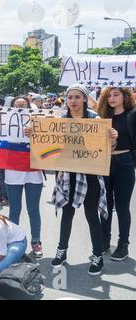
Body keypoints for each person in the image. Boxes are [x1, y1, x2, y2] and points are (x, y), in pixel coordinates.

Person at [51, 83, 118, 275]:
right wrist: (34, 135)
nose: (73, 101)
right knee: (67, 214)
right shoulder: (61, 120)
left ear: (84, 99)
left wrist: (112, 138)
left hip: (90, 175)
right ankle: (62, 251)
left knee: (91, 216)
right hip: (68, 175)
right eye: (69, 97)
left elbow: (107, 148)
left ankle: (97, 256)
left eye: (77, 97)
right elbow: (49, 144)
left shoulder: (95, 119)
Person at [97, 87, 136, 261]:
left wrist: (118, 138)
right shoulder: (103, 118)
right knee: (105, 204)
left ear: (125, 96)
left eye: (116, 94)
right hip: (104, 162)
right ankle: (104, 241)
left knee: (121, 206)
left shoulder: (133, 114)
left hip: (124, 162)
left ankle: (123, 244)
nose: (112, 98)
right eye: (109, 95)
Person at [5, 96, 44, 259]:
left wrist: (35, 135)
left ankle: (36, 242)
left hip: (33, 171)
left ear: (29, 106)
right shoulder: (4, 123)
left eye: (23, 105)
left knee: (33, 209)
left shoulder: (38, 122)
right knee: (14, 209)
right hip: (13, 171)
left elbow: (49, 143)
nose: (20, 107)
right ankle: (14, 241)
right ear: (12, 107)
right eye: (17, 105)